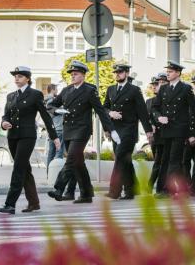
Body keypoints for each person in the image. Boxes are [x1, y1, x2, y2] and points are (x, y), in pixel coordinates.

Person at [47, 61, 118, 204]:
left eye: (76, 74)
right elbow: (50, 105)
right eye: (71, 74)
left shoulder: (89, 90)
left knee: (71, 159)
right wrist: (56, 110)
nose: (73, 76)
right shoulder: (66, 90)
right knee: (78, 163)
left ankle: (59, 188)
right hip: (68, 130)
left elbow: (100, 111)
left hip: (82, 130)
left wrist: (110, 129)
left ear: (83, 76)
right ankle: (86, 194)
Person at [0, 66, 60, 214]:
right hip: (12, 136)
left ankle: (10, 204)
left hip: (27, 136)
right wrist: (4, 123)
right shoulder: (11, 96)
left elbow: (45, 116)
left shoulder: (35, 94)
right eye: (15, 76)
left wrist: (54, 136)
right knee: (25, 169)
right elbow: (6, 115)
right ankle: (34, 202)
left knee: (18, 168)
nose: (16, 78)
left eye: (20, 76)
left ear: (27, 79)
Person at [151, 61, 195, 197]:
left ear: (178, 73)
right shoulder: (163, 89)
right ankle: (182, 188)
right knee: (166, 160)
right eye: (167, 71)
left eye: (171, 71)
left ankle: (167, 190)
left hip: (180, 129)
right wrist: (159, 117)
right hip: (166, 129)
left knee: (173, 160)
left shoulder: (185, 88)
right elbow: (155, 108)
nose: (168, 73)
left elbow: (194, 110)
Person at [104, 64, 153, 200]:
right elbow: (104, 108)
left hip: (129, 130)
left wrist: (148, 131)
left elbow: (142, 112)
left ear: (126, 73)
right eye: (116, 72)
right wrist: (110, 115)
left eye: (120, 72)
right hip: (115, 130)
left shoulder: (134, 90)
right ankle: (131, 190)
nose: (117, 74)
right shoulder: (111, 89)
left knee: (120, 158)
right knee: (125, 161)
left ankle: (114, 191)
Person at [147, 74, 167, 192]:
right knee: (158, 161)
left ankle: (151, 185)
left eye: (157, 84)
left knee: (161, 161)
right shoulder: (149, 101)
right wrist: (150, 126)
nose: (155, 87)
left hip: (166, 134)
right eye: (153, 85)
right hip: (155, 136)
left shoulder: (167, 99)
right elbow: (146, 117)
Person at [45, 84, 65, 169]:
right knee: (59, 152)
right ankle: (55, 174)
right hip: (58, 128)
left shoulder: (47, 100)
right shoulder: (51, 100)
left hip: (53, 129)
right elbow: (51, 112)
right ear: (53, 89)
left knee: (52, 152)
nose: (57, 91)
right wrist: (63, 111)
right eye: (56, 89)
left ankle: (49, 174)